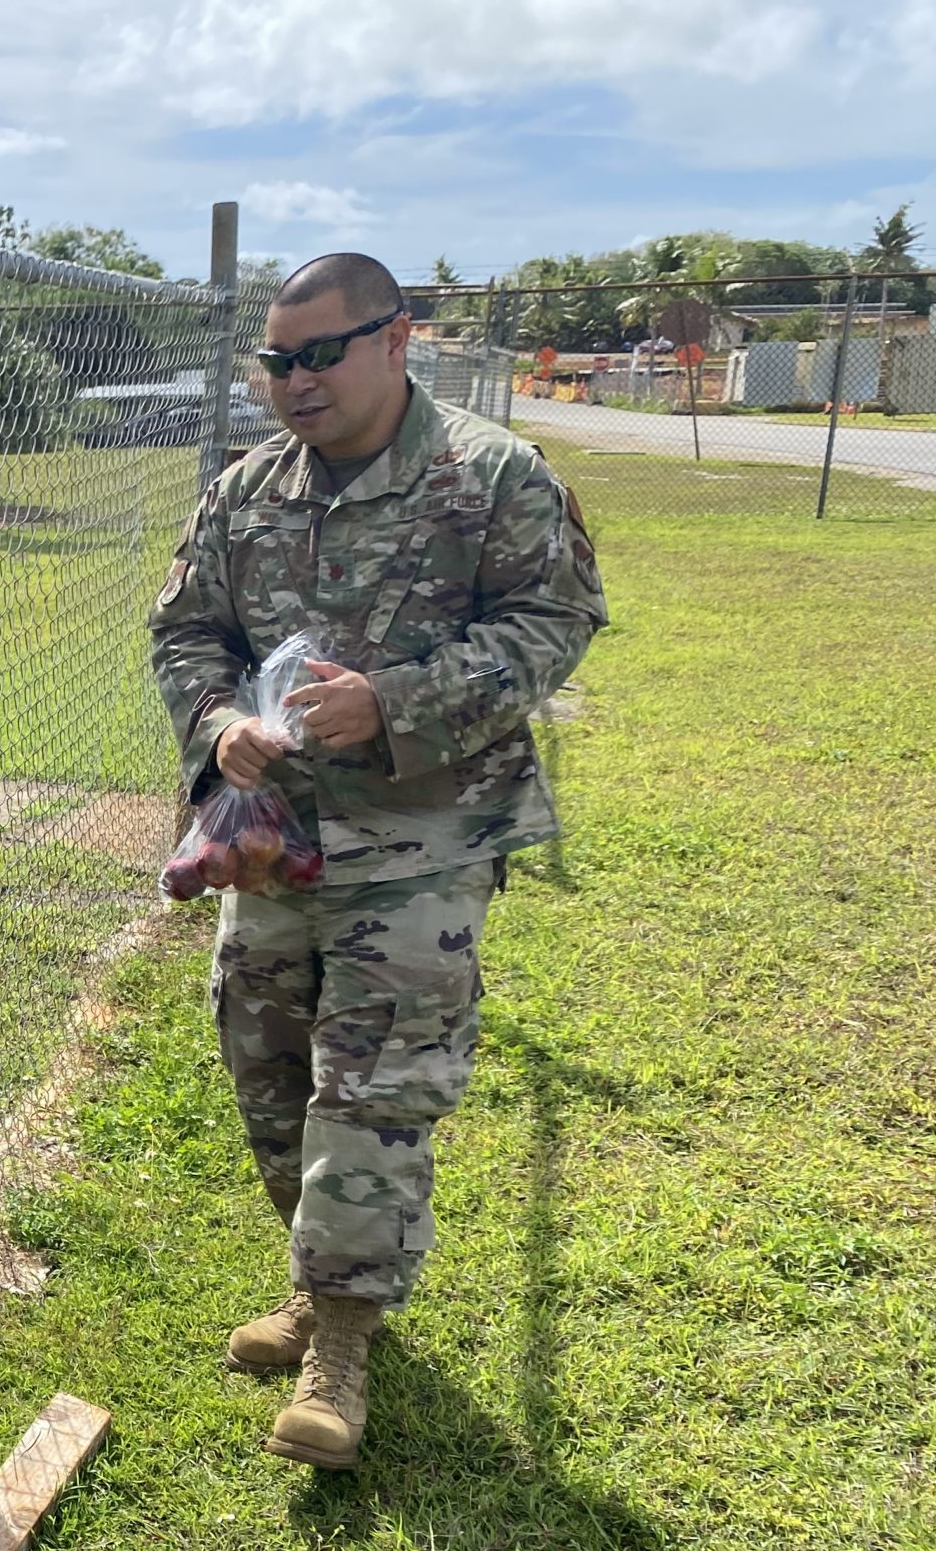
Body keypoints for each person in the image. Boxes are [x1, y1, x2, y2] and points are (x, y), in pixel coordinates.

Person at [148, 251, 607, 1469]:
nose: (294, 380)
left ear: (395, 339)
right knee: (268, 1065)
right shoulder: (243, 491)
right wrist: (217, 724)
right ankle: (313, 1283)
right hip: (275, 844)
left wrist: (398, 703)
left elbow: (553, 622)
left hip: (424, 842)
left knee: (375, 1087)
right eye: (275, 360)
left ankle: (341, 1347)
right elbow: (185, 630)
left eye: (320, 353)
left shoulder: (491, 475)